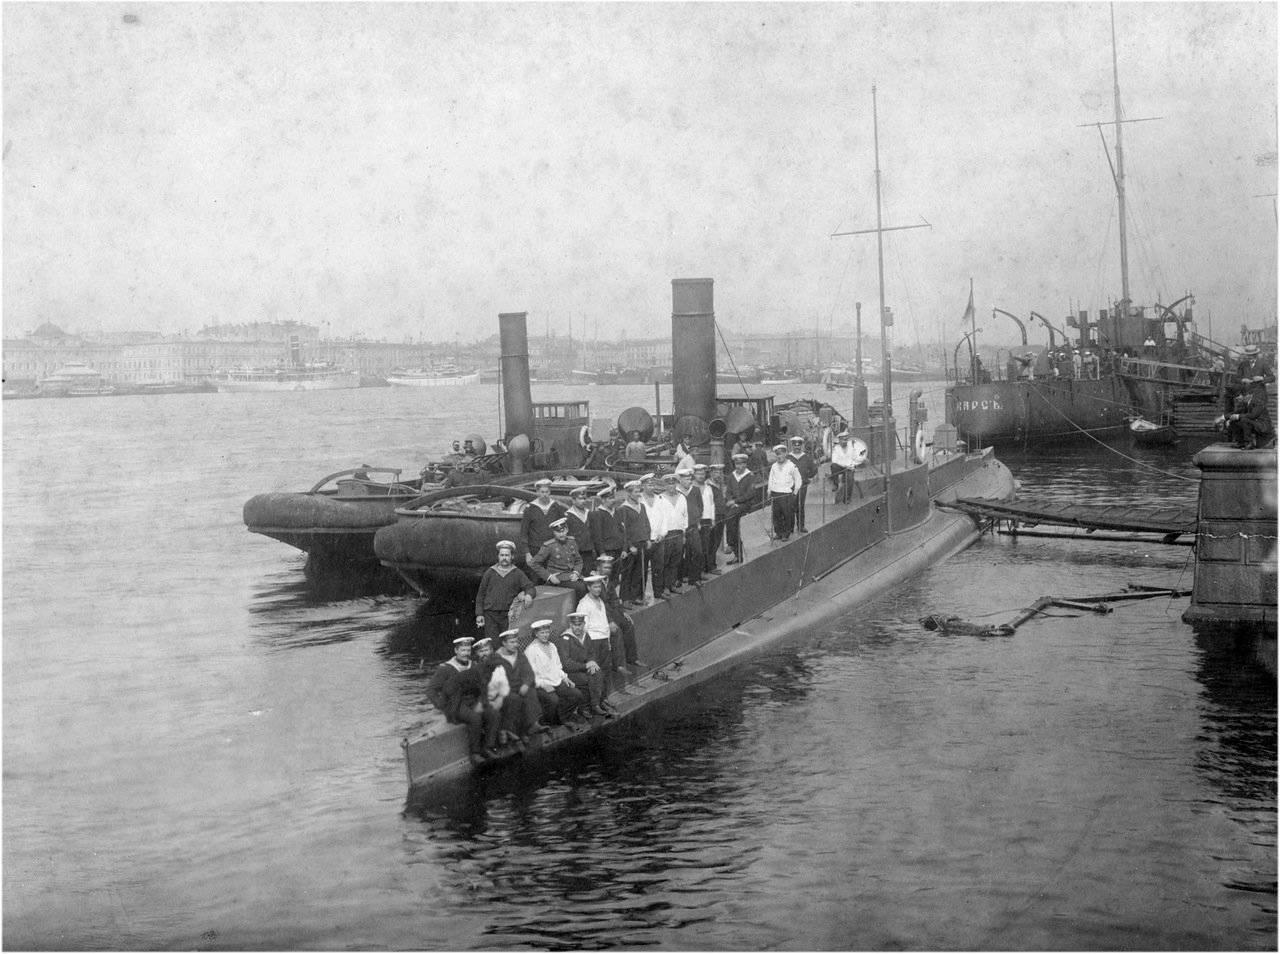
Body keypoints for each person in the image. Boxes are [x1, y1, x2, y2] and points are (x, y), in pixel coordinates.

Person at [425, 636, 486, 761]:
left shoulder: (474, 665)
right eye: (463, 650)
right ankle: (475, 753)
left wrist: (481, 702)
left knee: (491, 712)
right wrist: (441, 706)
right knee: (475, 719)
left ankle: (489, 747)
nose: (466, 653)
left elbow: (482, 686)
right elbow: (431, 690)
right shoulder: (446, 669)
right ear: (456, 651)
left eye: (468, 650)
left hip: (473, 701)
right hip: (455, 705)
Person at [524, 618, 586, 724]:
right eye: (542, 633)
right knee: (554, 700)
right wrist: (544, 685)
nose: (545, 635)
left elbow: (557, 666)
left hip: (556, 681)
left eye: (547, 632)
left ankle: (564, 716)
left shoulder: (552, 646)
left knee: (577, 694)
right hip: (540, 685)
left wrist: (565, 678)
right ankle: (550, 721)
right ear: (536, 634)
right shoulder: (531, 650)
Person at [491, 628, 547, 742]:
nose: (515, 645)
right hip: (506, 689)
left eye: (516, 642)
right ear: (504, 643)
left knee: (530, 691)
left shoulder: (519, 654)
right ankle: (518, 732)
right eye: (512, 642)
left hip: (519, 686)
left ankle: (533, 725)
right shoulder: (497, 657)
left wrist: (526, 684)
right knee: (515, 699)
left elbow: (529, 672)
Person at [474, 540, 537, 638]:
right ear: (498, 556)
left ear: (512, 556)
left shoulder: (517, 573)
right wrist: (479, 614)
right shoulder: (490, 572)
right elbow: (480, 594)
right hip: (490, 615)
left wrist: (529, 595)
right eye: (502, 555)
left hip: (508, 615)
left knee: (508, 641)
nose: (504, 558)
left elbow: (530, 587)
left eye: (507, 555)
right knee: (493, 642)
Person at [592, 554, 642, 672]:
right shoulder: (594, 582)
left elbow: (614, 599)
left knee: (628, 625)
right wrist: (610, 621)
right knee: (616, 630)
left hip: (611, 611)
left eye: (609, 568)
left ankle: (632, 658)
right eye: (605, 567)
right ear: (598, 568)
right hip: (599, 614)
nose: (608, 570)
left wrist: (622, 613)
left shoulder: (607, 580)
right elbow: (598, 605)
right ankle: (618, 665)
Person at [556, 613, 609, 717]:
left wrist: (592, 662)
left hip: (585, 667)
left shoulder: (586, 635)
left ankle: (596, 704)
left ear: (584, 624)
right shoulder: (565, 639)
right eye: (575, 625)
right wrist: (585, 666)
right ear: (570, 625)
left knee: (598, 674)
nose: (578, 628)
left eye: (580, 625)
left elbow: (591, 653)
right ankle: (584, 708)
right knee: (584, 679)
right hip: (571, 671)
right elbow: (566, 663)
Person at [528, 517, 587, 598]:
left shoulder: (572, 542)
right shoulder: (549, 546)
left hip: (572, 576)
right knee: (581, 588)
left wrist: (576, 573)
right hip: (558, 578)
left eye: (563, 531)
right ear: (554, 532)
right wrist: (549, 577)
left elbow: (578, 561)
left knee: (591, 584)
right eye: (558, 532)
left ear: (567, 530)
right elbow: (533, 563)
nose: (561, 534)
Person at [616, 479, 650, 607]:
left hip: (642, 544)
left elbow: (646, 524)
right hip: (632, 547)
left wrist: (647, 539)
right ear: (629, 493)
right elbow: (623, 530)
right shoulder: (623, 509)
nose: (639, 494)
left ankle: (636, 596)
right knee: (628, 572)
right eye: (636, 492)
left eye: (639, 491)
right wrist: (630, 546)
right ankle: (625, 599)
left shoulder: (642, 506)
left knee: (639, 572)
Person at [518, 478, 566, 564]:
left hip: (553, 548)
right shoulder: (530, 508)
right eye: (542, 492)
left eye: (547, 492)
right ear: (537, 492)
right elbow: (524, 532)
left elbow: (563, 528)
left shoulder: (556, 507)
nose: (545, 495)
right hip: (536, 549)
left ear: (550, 492)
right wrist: (527, 553)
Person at [723, 452, 756, 563]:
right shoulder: (732, 476)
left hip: (745, 504)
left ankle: (730, 544)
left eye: (742, 464)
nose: (739, 467)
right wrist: (730, 500)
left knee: (730, 517)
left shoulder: (750, 476)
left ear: (745, 464)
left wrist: (735, 501)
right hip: (734, 504)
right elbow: (728, 491)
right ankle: (738, 555)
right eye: (737, 464)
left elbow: (750, 494)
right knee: (732, 524)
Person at [659, 474, 689, 595]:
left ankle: (672, 584)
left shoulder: (682, 497)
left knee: (676, 560)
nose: (671, 486)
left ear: (676, 484)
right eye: (668, 484)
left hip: (679, 533)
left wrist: (684, 533)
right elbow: (659, 517)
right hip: (667, 534)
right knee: (666, 560)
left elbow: (685, 515)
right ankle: (665, 586)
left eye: (673, 483)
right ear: (665, 485)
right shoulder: (660, 498)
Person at [641, 474, 669, 601]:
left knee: (658, 567)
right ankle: (640, 595)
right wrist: (645, 538)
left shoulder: (660, 499)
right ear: (643, 485)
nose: (651, 487)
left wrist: (662, 534)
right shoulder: (639, 500)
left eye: (652, 484)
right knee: (642, 569)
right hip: (646, 541)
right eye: (648, 484)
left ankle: (658, 592)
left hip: (659, 539)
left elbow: (665, 518)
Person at [767, 443, 802, 540]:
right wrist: (769, 490)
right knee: (776, 514)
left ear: (785, 454)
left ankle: (786, 534)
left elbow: (798, 479)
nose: (779, 456)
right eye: (777, 454)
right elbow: (770, 479)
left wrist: (795, 491)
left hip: (786, 493)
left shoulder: (791, 465)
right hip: (775, 493)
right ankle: (778, 533)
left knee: (786, 514)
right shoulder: (774, 466)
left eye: (781, 454)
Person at [676, 468, 704, 586]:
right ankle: (678, 578)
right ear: (680, 480)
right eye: (686, 479)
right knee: (679, 554)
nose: (689, 481)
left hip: (693, 527)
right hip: (680, 529)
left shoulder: (695, 490)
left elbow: (700, 506)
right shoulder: (676, 493)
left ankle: (694, 578)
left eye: (690, 479)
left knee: (698, 552)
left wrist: (697, 520)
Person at [1226, 378, 1274, 448]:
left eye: (1242, 396)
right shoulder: (1246, 404)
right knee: (1234, 421)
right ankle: (1240, 442)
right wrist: (1230, 419)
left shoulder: (1258, 402)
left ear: (1249, 395)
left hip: (1263, 426)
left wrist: (1237, 416)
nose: (1239, 398)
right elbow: (1237, 413)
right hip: (1255, 424)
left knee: (1244, 420)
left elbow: (1253, 415)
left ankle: (1249, 443)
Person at [692, 464, 720, 576]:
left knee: (708, 545)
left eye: (703, 474)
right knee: (697, 548)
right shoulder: (692, 488)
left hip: (707, 520)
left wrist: (712, 519)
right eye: (698, 474)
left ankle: (708, 567)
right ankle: (698, 571)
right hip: (697, 521)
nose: (701, 476)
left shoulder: (708, 488)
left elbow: (712, 504)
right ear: (694, 475)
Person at [588, 485, 626, 567]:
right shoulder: (597, 514)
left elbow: (622, 531)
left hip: (619, 549)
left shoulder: (617, 512)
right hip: (607, 551)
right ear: (603, 500)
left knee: (618, 572)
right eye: (610, 498)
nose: (613, 501)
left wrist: (624, 549)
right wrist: (602, 553)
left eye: (613, 498)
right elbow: (597, 536)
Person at [787, 435, 818, 533]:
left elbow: (814, 469)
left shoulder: (806, 457)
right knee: (790, 506)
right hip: (791, 487)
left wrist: (807, 477)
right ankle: (790, 528)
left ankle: (801, 526)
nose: (797, 447)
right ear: (792, 446)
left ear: (801, 446)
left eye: (798, 446)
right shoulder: (788, 458)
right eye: (795, 446)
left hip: (802, 486)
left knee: (800, 505)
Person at [564, 487, 596, 569]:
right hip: (575, 553)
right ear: (573, 500)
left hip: (589, 552)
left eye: (584, 498)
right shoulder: (568, 516)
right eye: (580, 499)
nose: (583, 501)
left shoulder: (590, 514)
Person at [827, 430, 861, 504]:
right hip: (841, 467)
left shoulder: (851, 447)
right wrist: (845, 465)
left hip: (850, 467)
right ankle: (835, 484)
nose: (844, 441)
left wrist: (852, 465)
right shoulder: (836, 448)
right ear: (839, 440)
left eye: (846, 440)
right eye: (843, 440)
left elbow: (855, 457)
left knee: (850, 479)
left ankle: (847, 498)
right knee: (833, 466)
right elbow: (834, 460)